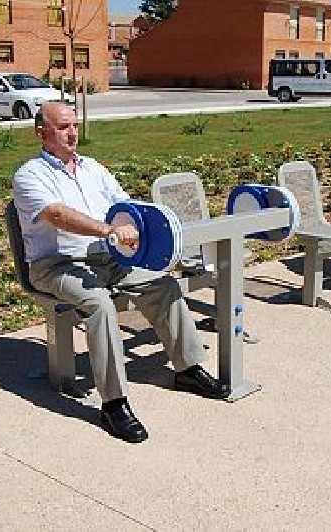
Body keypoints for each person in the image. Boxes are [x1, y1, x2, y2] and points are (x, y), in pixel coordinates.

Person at [12, 102, 230, 444]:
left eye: (74, 125)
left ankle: (188, 369)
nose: (73, 133)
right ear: (42, 132)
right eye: (63, 127)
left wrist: (141, 228)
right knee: (99, 305)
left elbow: (124, 205)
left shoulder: (92, 168)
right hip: (56, 265)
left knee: (163, 285)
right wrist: (108, 230)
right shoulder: (30, 175)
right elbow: (56, 215)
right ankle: (114, 404)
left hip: (109, 258)